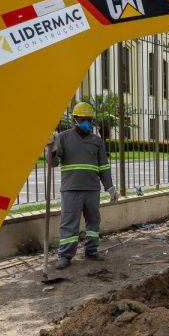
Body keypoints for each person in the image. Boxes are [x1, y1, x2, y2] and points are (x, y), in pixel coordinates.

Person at [51, 102, 118, 269]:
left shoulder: (97, 141)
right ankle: (65, 255)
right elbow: (53, 163)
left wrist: (110, 188)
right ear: (75, 119)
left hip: (92, 189)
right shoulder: (63, 137)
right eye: (83, 119)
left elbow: (103, 166)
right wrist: (50, 147)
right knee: (69, 223)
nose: (87, 122)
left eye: (89, 119)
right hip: (71, 189)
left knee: (93, 221)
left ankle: (91, 250)